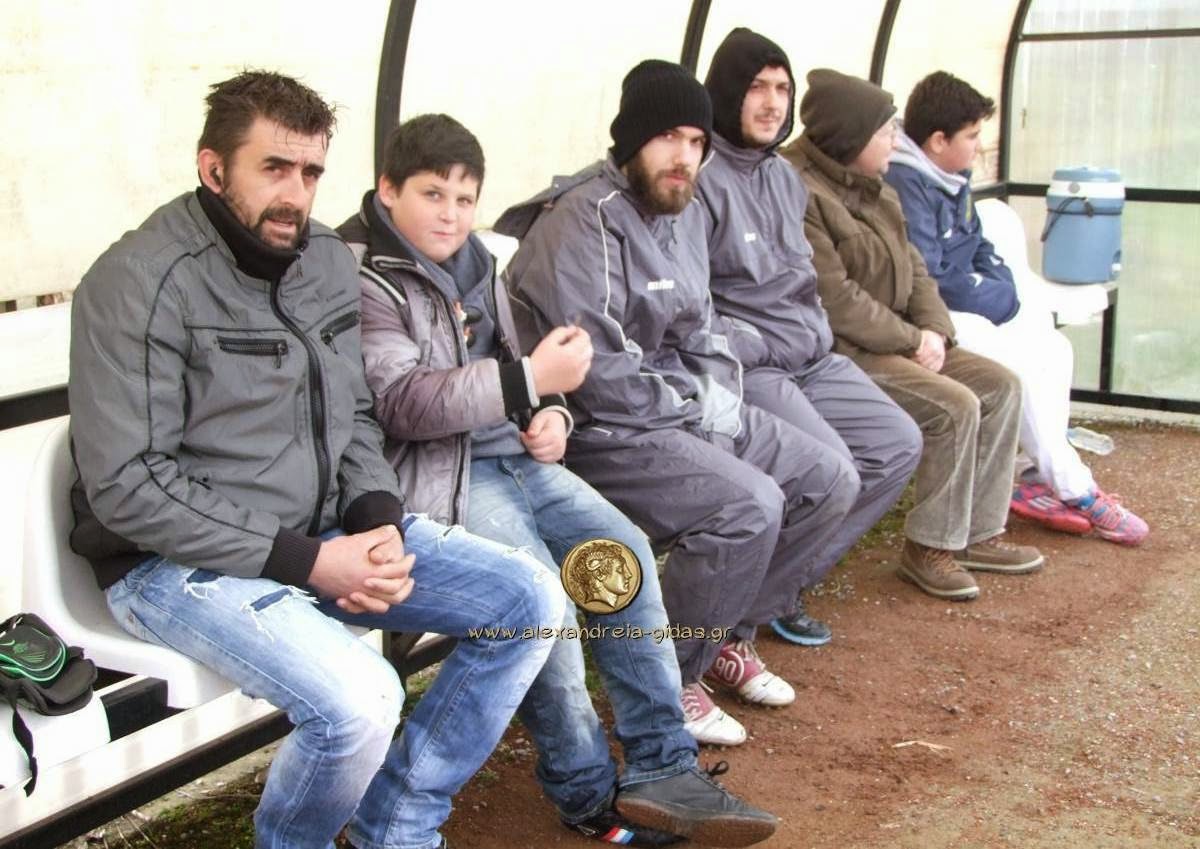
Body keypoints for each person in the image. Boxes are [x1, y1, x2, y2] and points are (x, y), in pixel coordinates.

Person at [67, 71, 566, 849]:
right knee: (364, 699)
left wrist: (377, 518)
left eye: (310, 172)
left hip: (319, 535)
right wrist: (309, 561)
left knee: (529, 597)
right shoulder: (137, 280)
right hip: (169, 564)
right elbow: (130, 486)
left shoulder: (325, 259)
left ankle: (395, 828)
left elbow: (353, 413)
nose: (295, 194)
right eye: (273, 168)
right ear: (212, 168)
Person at [341, 113, 777, 848]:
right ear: (388, 190)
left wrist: (551, 415)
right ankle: (587, 792)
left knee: (621, 558)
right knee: (547, 607)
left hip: (516, 459)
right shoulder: (364, 275)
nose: (450, 215)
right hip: (441, 478)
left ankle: (663, 769)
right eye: (431, 194)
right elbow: (403, 403)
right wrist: (528, 382)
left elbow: (528, 376)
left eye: (464, 199)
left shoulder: (476, 261)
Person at [499, 60, 861, 748]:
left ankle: (722, 637)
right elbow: (599, 375)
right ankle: (672, 678)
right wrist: (695, 407)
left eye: (696, 141)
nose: (684, 157)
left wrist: (714, 397)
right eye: (668, 137)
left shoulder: (682, 209)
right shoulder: (582, 221)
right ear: (632, 138)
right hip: (598, 429)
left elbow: (701, 329)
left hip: (676, 407)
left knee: (829, 478)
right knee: (748, 505)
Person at [781, 69, 1046, 602]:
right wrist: (911, 339)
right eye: (885, 132)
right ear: (852, 137)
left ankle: (977, 533)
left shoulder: (875, 186)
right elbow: (835, 299)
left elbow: (918, 268)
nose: (895, 143)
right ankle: (930, 548)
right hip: (847, 351)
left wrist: (935, 331)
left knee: (1002, 386)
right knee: (954, 406)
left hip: (902, 338)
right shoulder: (802, 194)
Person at [696, 28, 922, 644]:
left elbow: (805, 281)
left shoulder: (783, 177)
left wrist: (813, 331)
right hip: (753, 366)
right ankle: (730, 627)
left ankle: (773, 590)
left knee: (898, 443)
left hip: (813, 355)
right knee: (834, 470)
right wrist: (756, 344)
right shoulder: (700, 178)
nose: (773, 103)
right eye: (757, 87)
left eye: (782, 88)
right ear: (727, 91)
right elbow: (692, 304)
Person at [884, 70, 1148, 545]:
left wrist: (999, 288)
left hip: (969, 302)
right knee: (1017, 367)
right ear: (938, 141)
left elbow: (978, 245)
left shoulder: (950, 175)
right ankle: (1075, 488)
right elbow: (931, 277)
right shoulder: (904, 182)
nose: (979, 147)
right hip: (927, 318)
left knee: (1055, 350)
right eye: (972, 136)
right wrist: (993, 295)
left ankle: (1032, 476)